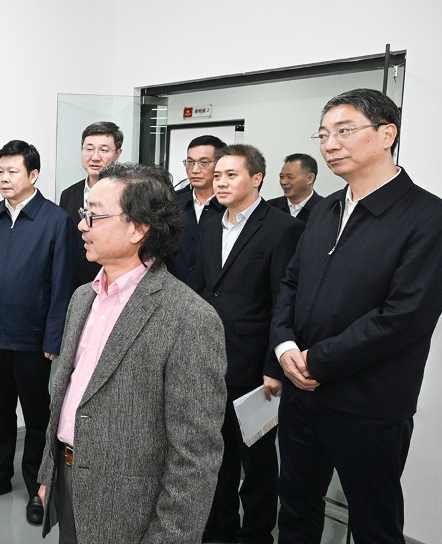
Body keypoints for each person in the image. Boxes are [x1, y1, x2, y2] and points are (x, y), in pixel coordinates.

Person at [271, 88, 442, 544]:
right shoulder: (324, 209)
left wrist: (317, 360)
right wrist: (285, 346)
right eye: (323, 134)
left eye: (344, 131)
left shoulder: (428, 216)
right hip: (301, 394)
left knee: (373, 524)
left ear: (387, 134)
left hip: (369, 403)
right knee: (296, 511)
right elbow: (290, 283)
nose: (330, 144)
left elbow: (404, 316)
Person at [37, 162, 227, 543]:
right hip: (68, 482)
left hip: (130, 507)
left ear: (138, 228)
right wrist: (49, 472)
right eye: (84, 213)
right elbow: (68, 396)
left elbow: (194, 457)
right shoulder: (83, 298)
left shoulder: (189, 318)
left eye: (94, 216)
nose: (82, 225)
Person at [194, 144, 304, 544]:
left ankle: (256, 534)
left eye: (231, 175)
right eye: (217, 175)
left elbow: (284, 301)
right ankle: (218, 529)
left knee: (255, 458)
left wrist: (274, 366)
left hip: (255, 366)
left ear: (256, 179)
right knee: (214, 453)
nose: (220, 182)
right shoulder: (210, 225)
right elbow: (202, 290)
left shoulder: (282, 228)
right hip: (208, 360)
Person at [0, 140, 75, 525]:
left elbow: (62, 286)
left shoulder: (55, 220)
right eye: (0, 171)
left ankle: (38, 489)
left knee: (38, 420)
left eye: (12, 171)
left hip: (33, 342)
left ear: (33, 175)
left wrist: (54, 339)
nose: (4, 178)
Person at [58, 121, 123, 289]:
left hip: (113, 284)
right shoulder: (68, 195)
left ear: (118, 154)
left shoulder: (126, 194)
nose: (95, 157)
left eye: (104, 150)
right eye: (89, 149)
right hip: (75, 285)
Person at [167, 135, 227, 286]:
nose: (194, 170)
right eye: (190, 162)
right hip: (174, 290)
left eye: (203, 163)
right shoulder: (171, 202)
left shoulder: (231, 207)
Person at [266, 153, 324, 221]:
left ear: (309, 178)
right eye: (281, 177)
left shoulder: (325, 208)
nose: (283, 182)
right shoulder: (269, 208)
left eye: (290, 177)